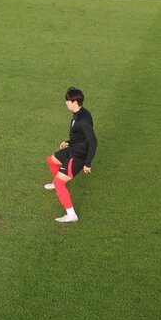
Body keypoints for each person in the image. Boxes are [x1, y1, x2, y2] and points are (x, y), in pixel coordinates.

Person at [44, 87, 97, 223]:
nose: (66, 103)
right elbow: (80, 136)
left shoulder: (83, 120)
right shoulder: (79, 113)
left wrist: (87, 163)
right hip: (73, 148)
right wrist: (68, 142)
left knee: (60, 183)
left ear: (75, 102)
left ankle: (71, 215)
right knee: (51, 160)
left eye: (68, 101)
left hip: (78, 156)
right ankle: (56, 184)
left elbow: (93, 141)